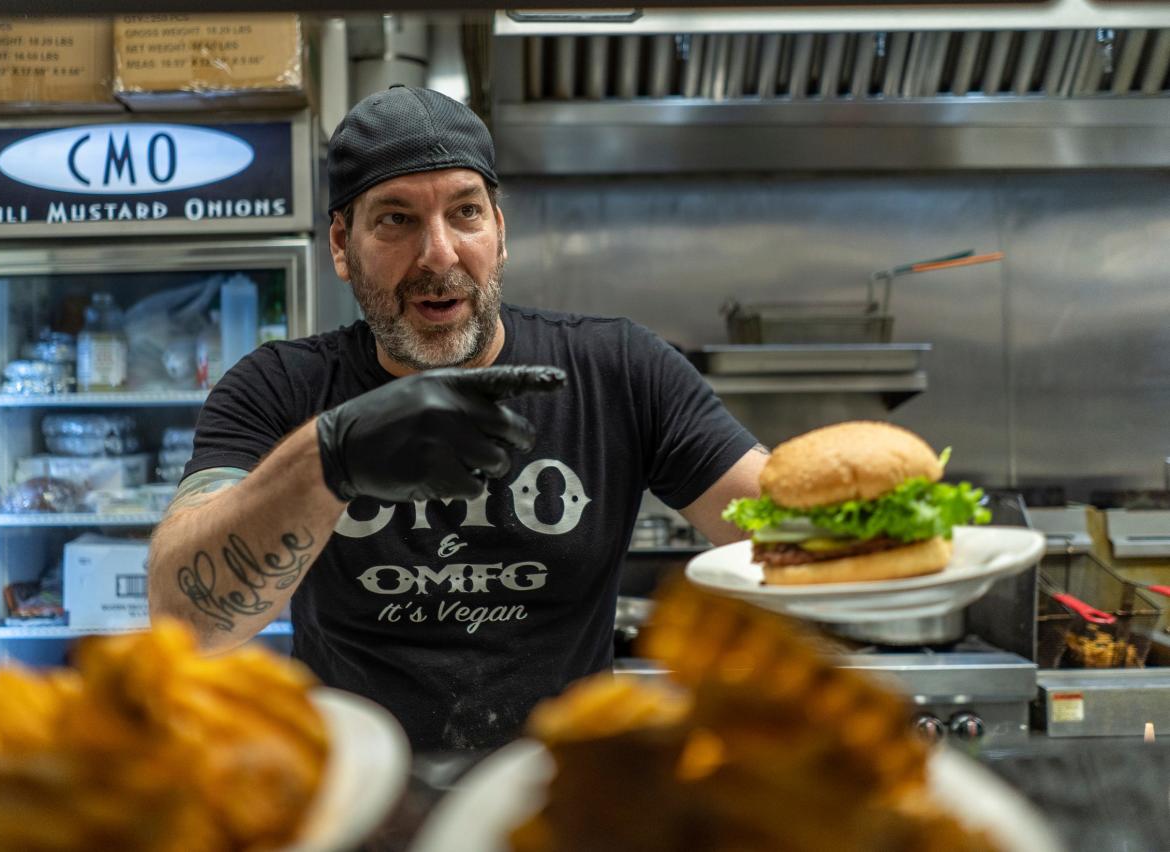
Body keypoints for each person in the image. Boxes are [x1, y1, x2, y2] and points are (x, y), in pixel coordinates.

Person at [148, 85, 768, 751]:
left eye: (465, 212)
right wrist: (329, 457)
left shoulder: (618, 369)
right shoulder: (280, 388)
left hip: (558, 798)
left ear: (499, 233)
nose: (439, 255)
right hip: (364, 802)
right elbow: (186, 620)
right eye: (395, 220)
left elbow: (779, 526)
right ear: (340, 244)